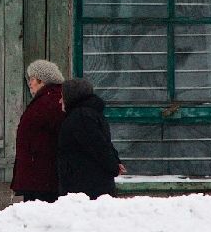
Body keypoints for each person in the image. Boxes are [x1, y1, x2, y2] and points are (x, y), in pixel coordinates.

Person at [57, 78, 126, 199]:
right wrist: (115, 161)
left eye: (63, 96)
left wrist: (113, 165)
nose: (60, 101)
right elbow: (104, 142)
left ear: (71, 96)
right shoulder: (89, 113)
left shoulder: (80, 117)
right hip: (91, 185)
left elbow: (98, 145)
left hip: (87, 188)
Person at [11, 59, 65, 202]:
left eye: (32, 78)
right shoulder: (45, 99)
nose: (30, 82)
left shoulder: (50, 100)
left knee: (39, 215)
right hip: (39, 173)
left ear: (42, 81)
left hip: (42, 174)